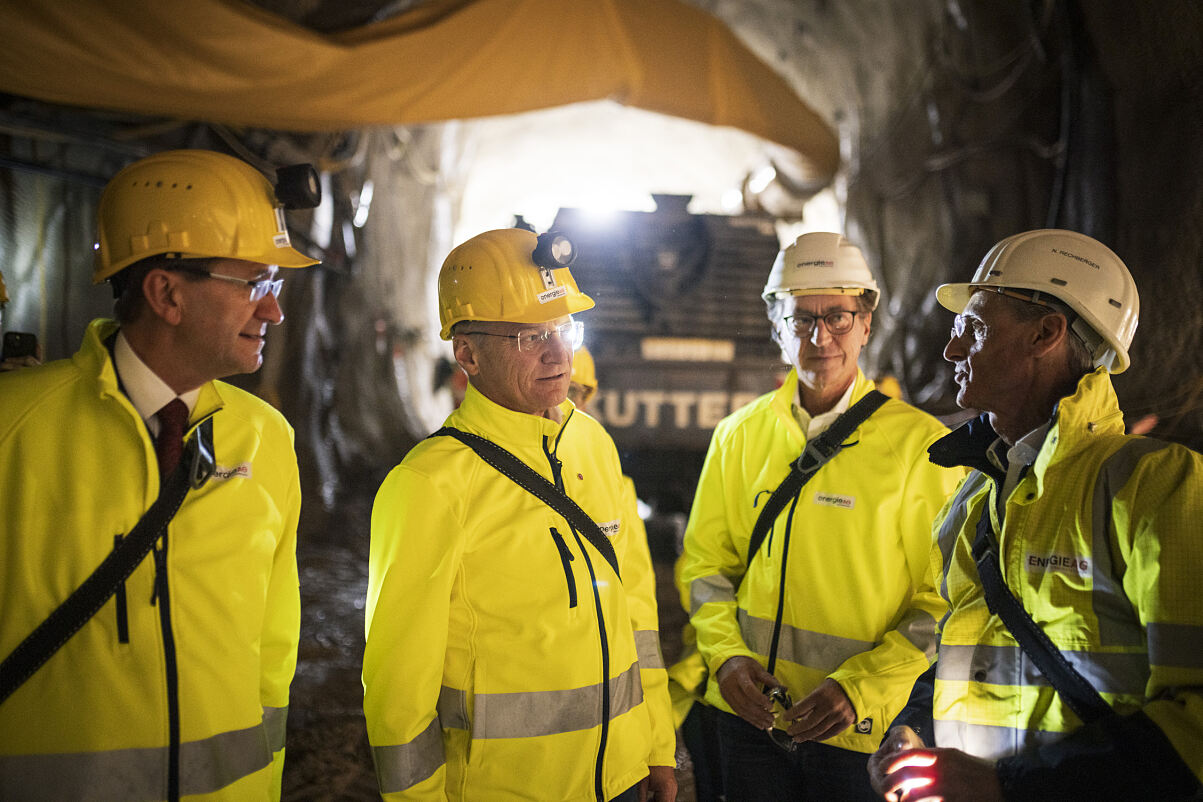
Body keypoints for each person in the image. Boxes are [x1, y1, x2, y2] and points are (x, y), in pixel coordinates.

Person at [0, 149, 317, 800]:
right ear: (166, 292)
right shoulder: (13, 432)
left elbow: (273, 645)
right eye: (255, 285)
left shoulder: (268, 439)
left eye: (275, 287)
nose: (273, 313)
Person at [872, 229, 1203, 801]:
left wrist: (1008, 786)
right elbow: (964, 651)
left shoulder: (1155, 485)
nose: (951, 351)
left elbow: (1195, 722)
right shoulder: (976, 497)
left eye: (973, 329)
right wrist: (913, 730)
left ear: (1045, 332)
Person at [363, 228, 676, 801]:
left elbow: (637, 613)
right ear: (467, 354)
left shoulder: (594, 446)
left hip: (625, 779)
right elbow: (397, 688)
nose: (561, 354)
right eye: (533, 336)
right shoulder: (430, 484)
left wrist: (656, 746)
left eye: (565, 328)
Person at [677, 231, 964, 801]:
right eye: (800, 318)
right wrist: (728, 661)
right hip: (747, 723)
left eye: (837, 316)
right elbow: (705, 569)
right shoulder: (738, 436)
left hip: (858, 734)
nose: (819, 336)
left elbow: (944, 601)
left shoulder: (920, 448)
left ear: (865, 323)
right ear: (776, 325)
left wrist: (859, 689)